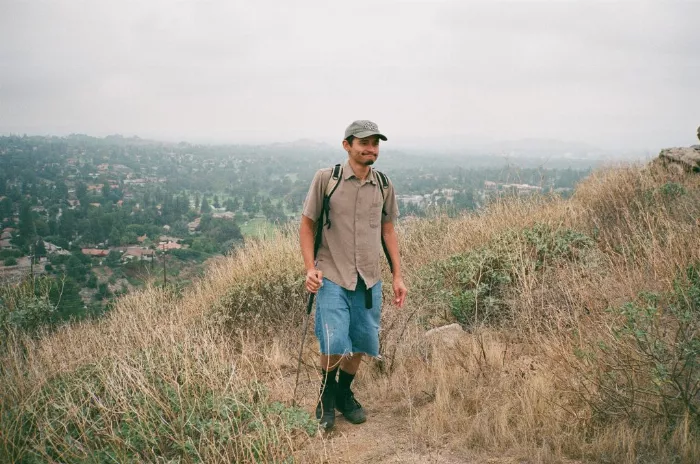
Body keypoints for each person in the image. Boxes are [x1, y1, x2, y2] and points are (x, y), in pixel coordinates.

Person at [299, 120, 408, 430]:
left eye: (375, 142)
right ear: (347, 145)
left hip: (369, 278)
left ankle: (343, 394)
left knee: (361, 342)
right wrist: (310, 268)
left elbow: (388, 231)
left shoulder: (384, 184)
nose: (370, 148)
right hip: (332, 273)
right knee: (333, 342)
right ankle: (325, 396)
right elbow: (307, 226)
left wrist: (398, 275)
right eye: (363, 142)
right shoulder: (327, 180)